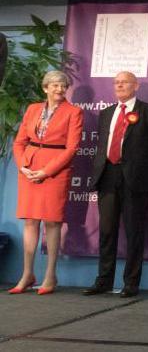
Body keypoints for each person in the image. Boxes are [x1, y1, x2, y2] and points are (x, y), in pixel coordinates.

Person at [83, 71, 148, 298]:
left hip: (135, 181)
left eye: (124, 82)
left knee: (134, 233)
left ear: (135, 86)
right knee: (107, 232)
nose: (119, 85)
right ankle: (104, 280)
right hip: (108, 176)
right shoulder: (107, 112)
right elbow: (101, 144)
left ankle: (131, 283)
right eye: (116, 82)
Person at [10, 70, 83, 295]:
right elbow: (20, 141)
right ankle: (27, 274)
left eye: (63, 85)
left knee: (52, 222)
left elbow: (72, 148)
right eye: (55, 85)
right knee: (30, 221)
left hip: (55, 171)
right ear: (45, 88)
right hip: (29, 169)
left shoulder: (74, 112)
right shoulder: (33, 109)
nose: (59, 89)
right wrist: (23, 165)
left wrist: (45, 171)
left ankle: (50, 275)